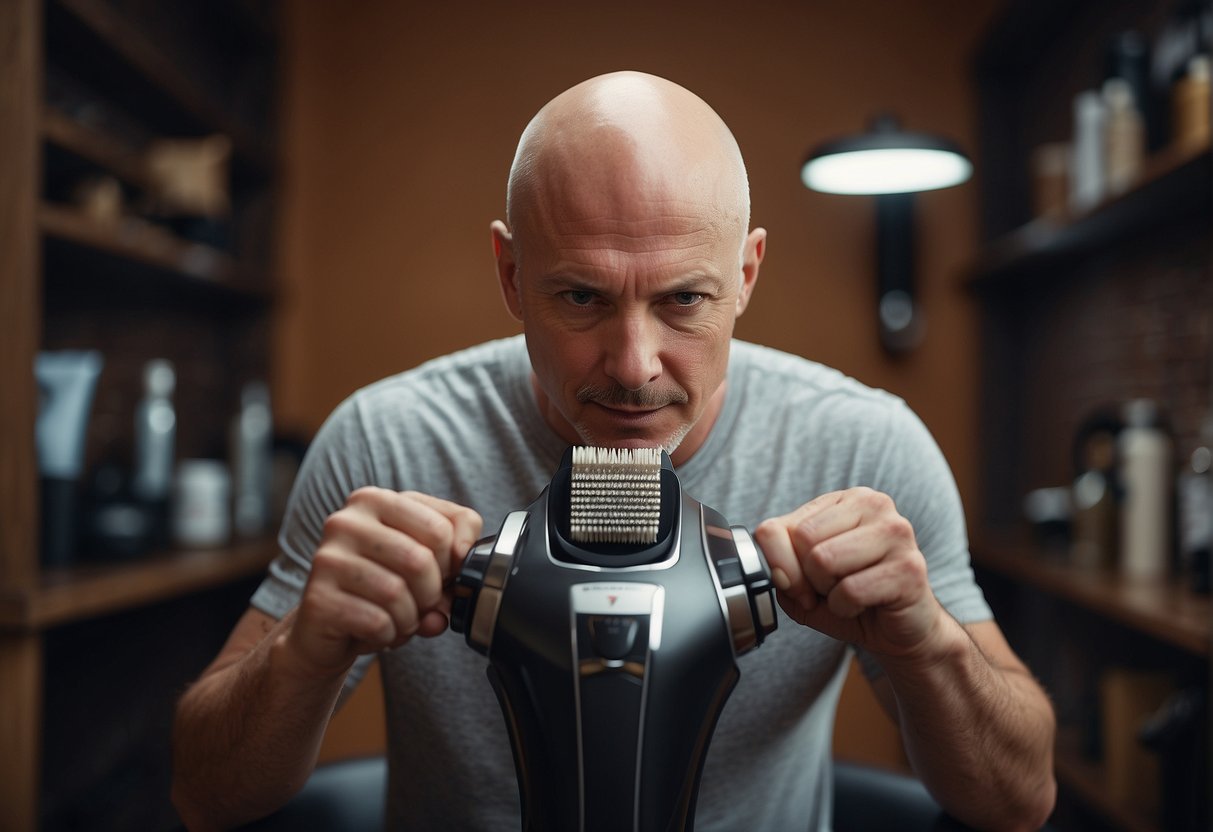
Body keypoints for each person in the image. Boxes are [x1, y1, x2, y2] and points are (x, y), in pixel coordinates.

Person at [171, 71, 1056, 831]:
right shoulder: (387, 442)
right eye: (581, 297)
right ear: (511, 275)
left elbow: (1017, 804)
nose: (634, 368)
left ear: (744, 275)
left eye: (682, 300)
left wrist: (924, 645)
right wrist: (304, 652)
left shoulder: (864, 447)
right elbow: (207, 800)